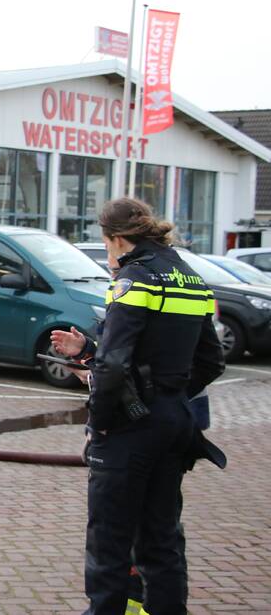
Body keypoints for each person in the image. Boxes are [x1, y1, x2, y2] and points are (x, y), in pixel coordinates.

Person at [50, 197, 224, 615]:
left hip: (131, 432)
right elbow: (211, 361)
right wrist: (164, 394)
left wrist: (103, 422)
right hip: (174, 423)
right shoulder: (190, 278)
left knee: (110, 541)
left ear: (114, 238)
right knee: (161, 539)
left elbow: (113, 364)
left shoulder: (135, 278)